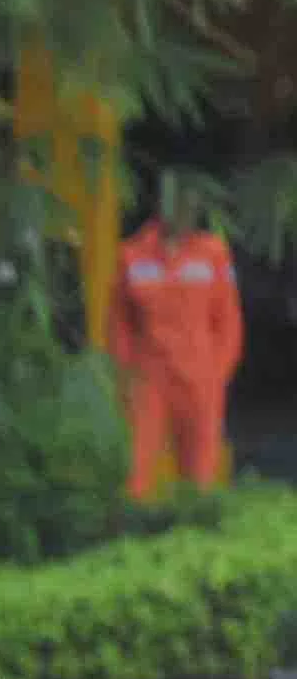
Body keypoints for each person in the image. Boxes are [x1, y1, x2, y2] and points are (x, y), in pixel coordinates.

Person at [113, 207, 245, 499]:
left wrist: (216, 375)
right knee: (134, 471)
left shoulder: (214, 254)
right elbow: (120, 325)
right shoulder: (131, 255)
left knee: (200, 475)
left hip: (200, 376)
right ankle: (133, 522)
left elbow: (229, 321)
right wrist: (125, 376)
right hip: (148, 378)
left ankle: (194, 523)